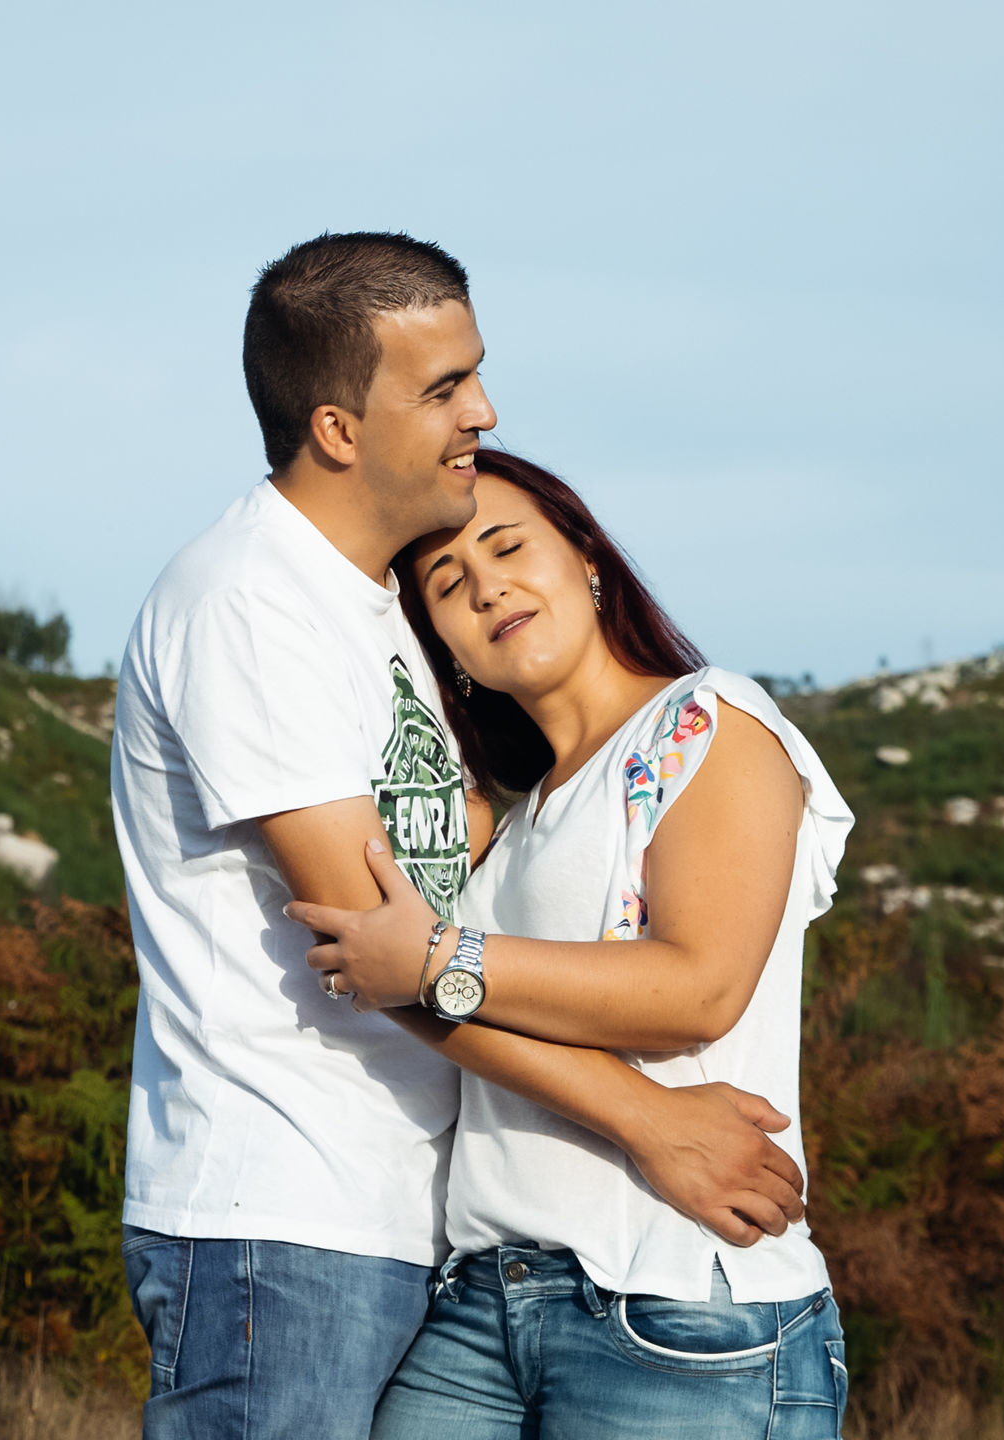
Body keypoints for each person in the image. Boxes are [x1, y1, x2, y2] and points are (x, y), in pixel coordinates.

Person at [110, 235, 815, 1440]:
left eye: (473, 376)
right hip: (282, 1215)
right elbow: (381, 952)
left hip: (411, 1227)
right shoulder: (251, 602)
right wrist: (649, 1120)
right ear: (339, 429)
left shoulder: (375, 610)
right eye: (443, 388)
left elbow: (442, 907)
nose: (480, 411)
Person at [285, 449, 856, 1437]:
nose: (487, 584)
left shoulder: (706, 722)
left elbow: (698, 989)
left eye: (508, 547)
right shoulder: (508, 832)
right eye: (448, 585)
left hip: (677, 1302)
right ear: (448, 651)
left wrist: (434, 963)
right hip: (478, 1305)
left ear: (587, 557)